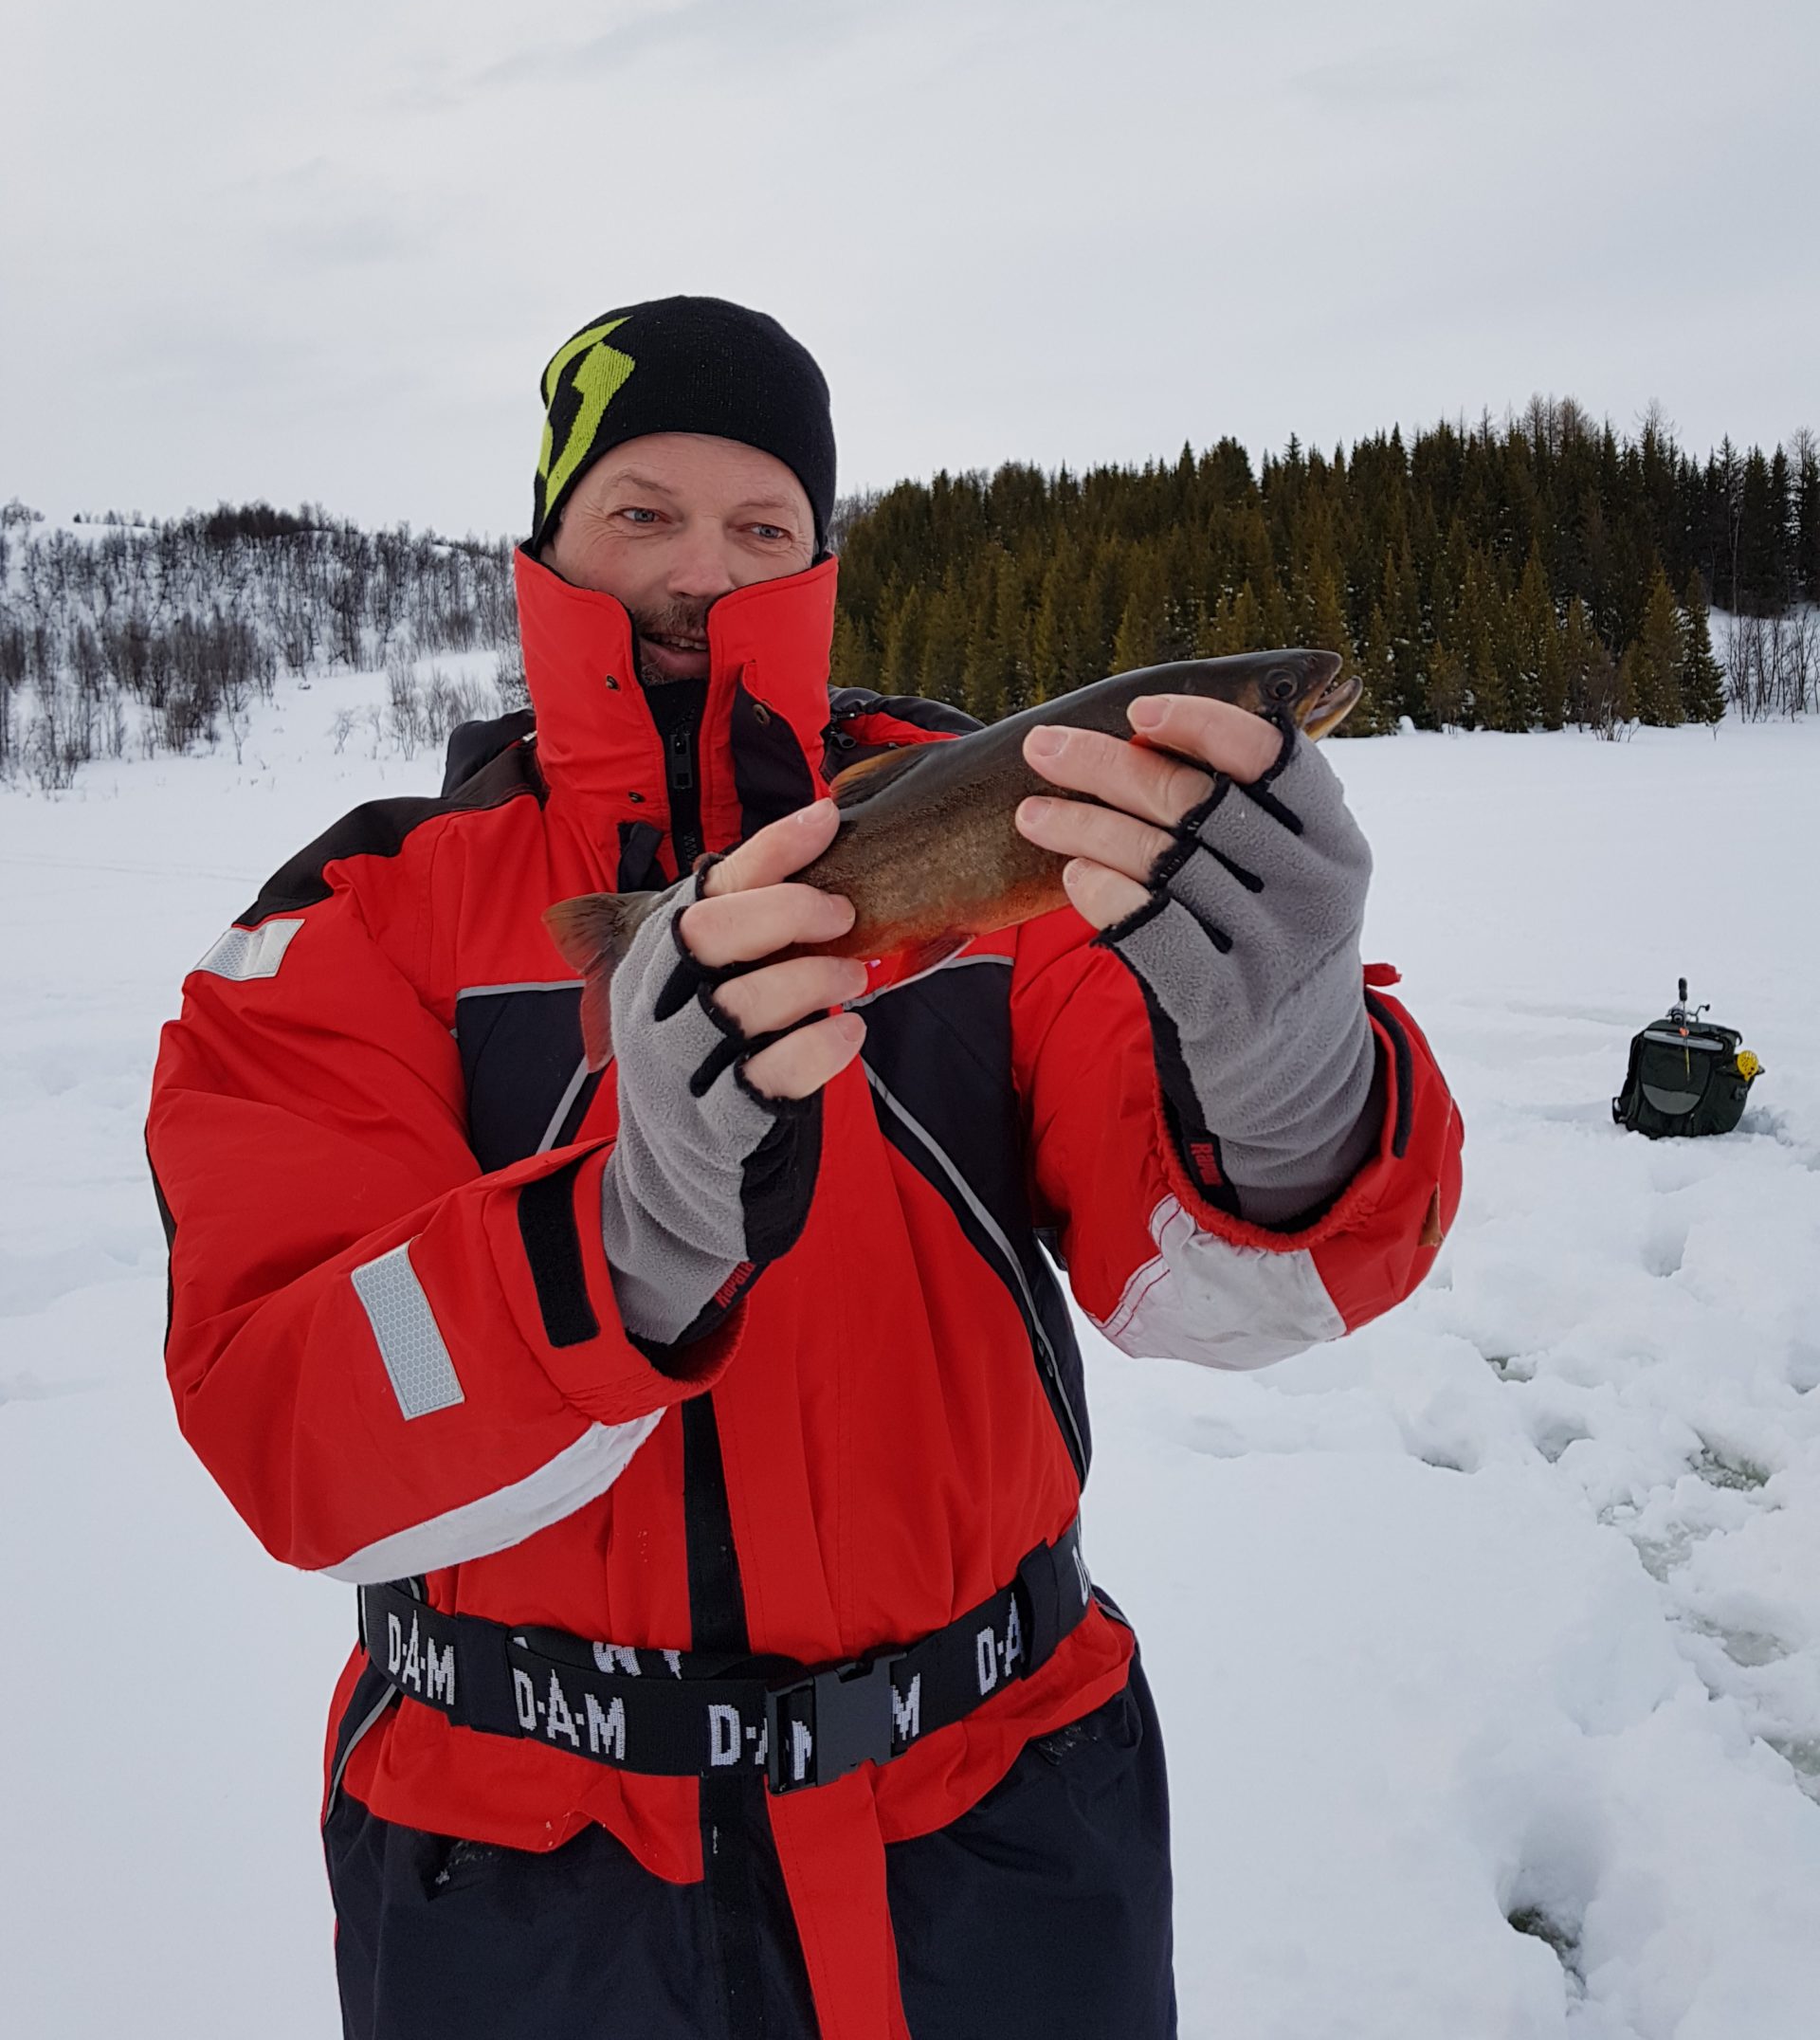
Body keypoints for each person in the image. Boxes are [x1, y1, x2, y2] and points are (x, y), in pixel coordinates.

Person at [148, 295, 1463, 2040]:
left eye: (763, 524)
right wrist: (625, 1240)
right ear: (546, 542)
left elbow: (1220, 1293)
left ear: (821, 553)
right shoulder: (350, 924)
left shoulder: (1034, 829)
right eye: (643, 510)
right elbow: (294, 1432)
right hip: (518, 1879)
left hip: (1004, 1825)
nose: (705, 568)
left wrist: (1288, 1070)